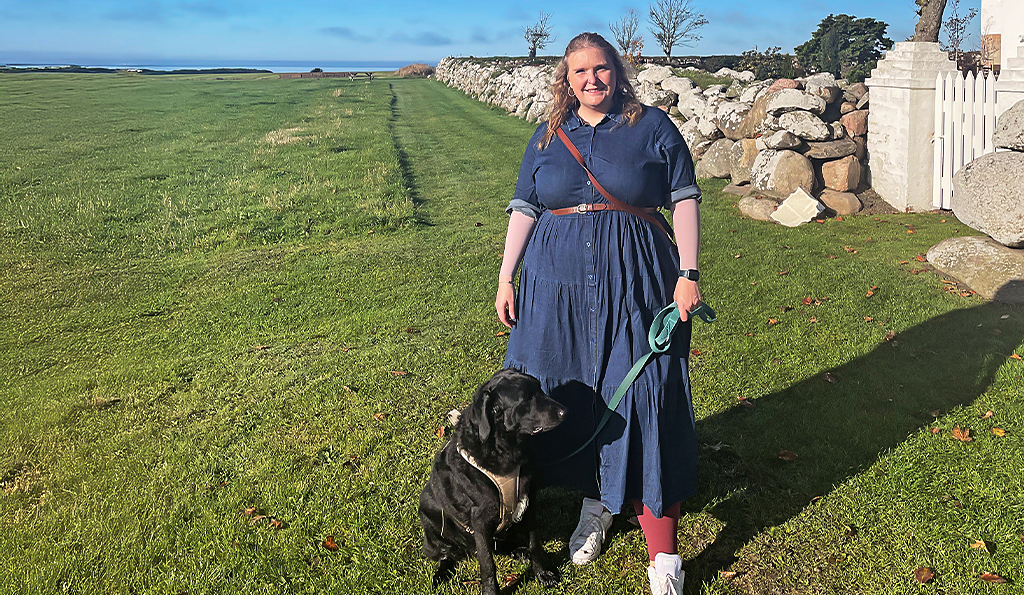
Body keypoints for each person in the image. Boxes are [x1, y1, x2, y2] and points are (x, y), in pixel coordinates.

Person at [494, 32, 702, 595]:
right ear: (566, 78)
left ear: (618, 71)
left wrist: (688, 275)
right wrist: (505, 275)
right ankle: (598, 501)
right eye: (580, 71)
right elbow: (524, 208)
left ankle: (664, 558)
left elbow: (683, 197)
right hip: (555, 286)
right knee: (571, 393)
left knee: (644, 394)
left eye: (601, 69)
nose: (592, 79)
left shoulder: (651, 126)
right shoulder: (545, 137)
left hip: (636, 281)